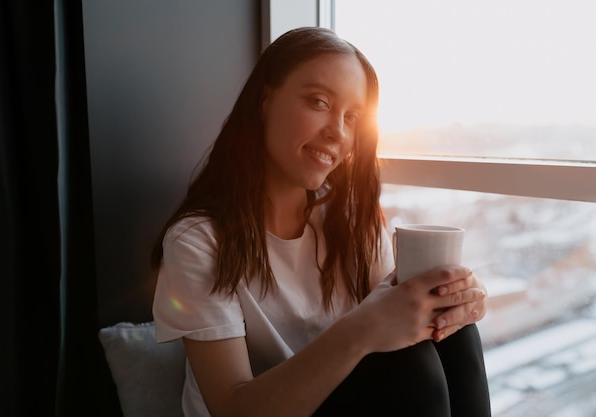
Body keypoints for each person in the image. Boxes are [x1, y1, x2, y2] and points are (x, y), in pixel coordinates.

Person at [151, 26, 491, 417]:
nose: (337, 132)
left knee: (453, 332)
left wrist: (461, 300)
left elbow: (404, 321)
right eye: (318, 102)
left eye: (352, 117)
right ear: (264, 101)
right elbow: (232, 408)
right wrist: (361, 330)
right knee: (410, 368)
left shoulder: (346, 220)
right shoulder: (197, 241)